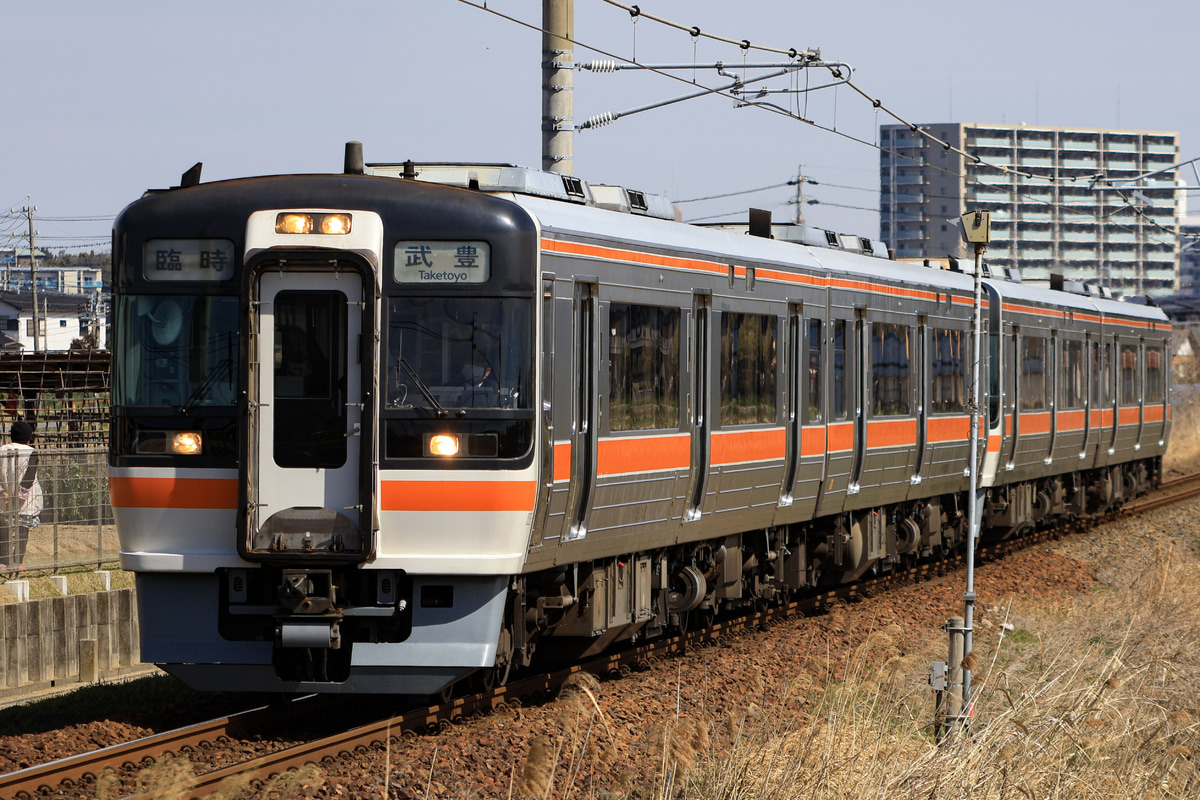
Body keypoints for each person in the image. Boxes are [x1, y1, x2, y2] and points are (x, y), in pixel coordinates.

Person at [0, 421, 42, 575]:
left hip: (3, 500)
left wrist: (4, 493)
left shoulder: (2, 450)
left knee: (3, 530)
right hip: (26, 501)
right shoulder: (32, 452)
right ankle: (17, 561)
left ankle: (3, 562)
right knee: (22, 531)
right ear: (29, 438)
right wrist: (18, 496)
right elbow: (29, 477)